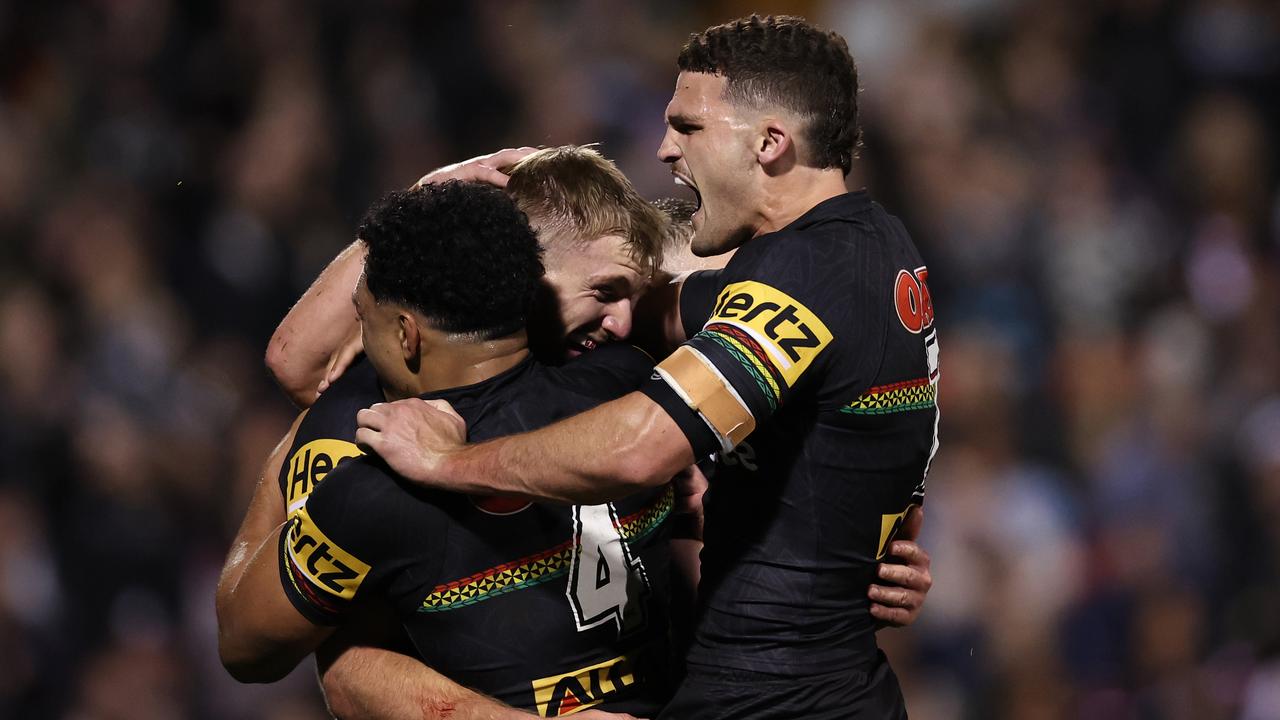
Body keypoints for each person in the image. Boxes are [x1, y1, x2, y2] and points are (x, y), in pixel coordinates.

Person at [353, 15, 939, 719]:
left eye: (687, 127)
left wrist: (451, 460)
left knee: (352, 672)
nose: (664, 149)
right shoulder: (876, 244)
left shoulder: (805, 276)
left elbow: (638, 449)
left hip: (769, 699)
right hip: (838, 686)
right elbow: (686, 314)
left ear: (770, 143)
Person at [218, 180, 667, 718]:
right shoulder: (635, 380)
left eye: (364, 317)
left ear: (406, 335)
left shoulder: (368, 491)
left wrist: (297, 445)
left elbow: (244, 648)